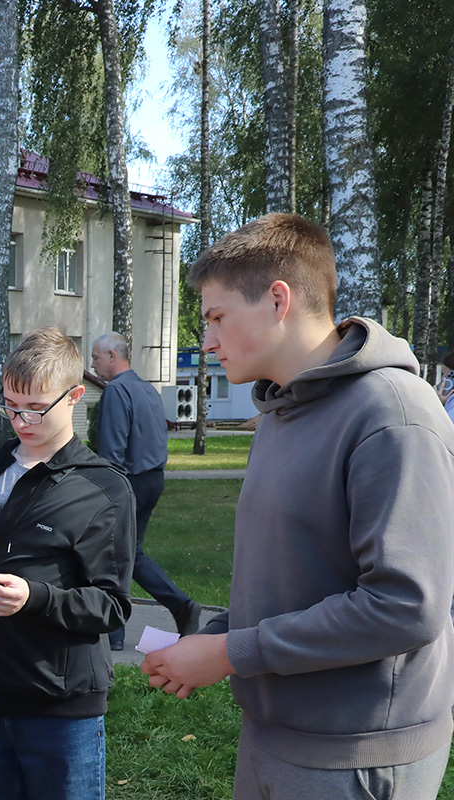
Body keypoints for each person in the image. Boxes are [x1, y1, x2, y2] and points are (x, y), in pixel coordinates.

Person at [141, 213, 454, 799]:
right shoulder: (281, 413)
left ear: (278, 300)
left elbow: (406, 606)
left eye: (217, 317)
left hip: (355, 755)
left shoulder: (393, 415)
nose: (207, 341)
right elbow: (295, 574)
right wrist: (215, 640)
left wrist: (229, 652)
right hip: (276, 735)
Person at [0, 327, 135, 800]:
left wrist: (34, 599)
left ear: (74, 396)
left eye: (36, 408)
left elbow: (113, 605)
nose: (21, 420)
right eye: (10, 406)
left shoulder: (103, 488)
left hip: (59, 697)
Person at [90, 332, 201, 650]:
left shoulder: (116, 391)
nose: (93, 365)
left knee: (111, 555)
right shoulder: (147, 389)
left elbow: (112, 450)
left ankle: (114, 631)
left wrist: (105, 492)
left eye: (96, 357)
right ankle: (181, 606)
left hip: (128, 483)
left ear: (112, 356)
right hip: (153, 479)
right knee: (130, 553)